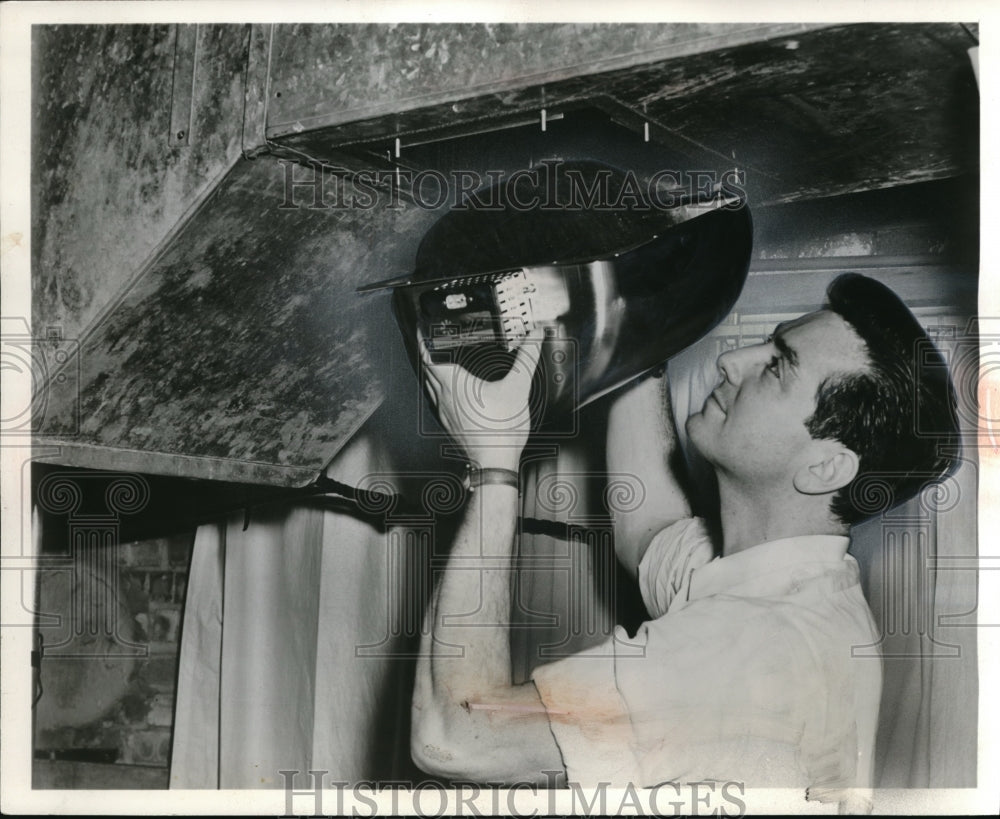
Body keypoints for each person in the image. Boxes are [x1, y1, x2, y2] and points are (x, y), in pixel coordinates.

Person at [409, 272, 958, 809]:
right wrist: (636, 329)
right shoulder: (802, 590)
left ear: (826, 467)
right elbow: (649, 530)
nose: (731, 360)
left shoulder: (749, 653)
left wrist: (495, 461)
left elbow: (457, 735)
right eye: (767, 343)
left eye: (776, 368)